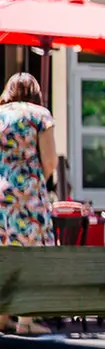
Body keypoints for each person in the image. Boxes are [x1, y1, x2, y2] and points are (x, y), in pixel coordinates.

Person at [0, 74, 55, 248]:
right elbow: (50, 161)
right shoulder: (41, 115)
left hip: (2, 195)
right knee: (37, 261)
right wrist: (37, 180)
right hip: (31, 196)